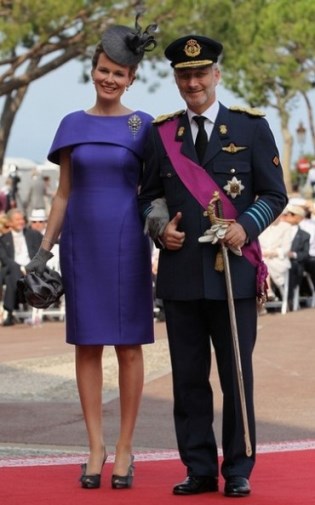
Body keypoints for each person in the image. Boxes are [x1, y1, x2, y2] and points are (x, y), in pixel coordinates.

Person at [139, 34, 288, 498]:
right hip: (182, 274)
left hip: (234, 276)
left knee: (236, 376)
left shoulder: (250, 128)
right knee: (187, 380)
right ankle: (199, 467)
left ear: (216, 75)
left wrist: (246, 226)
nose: (193, 82)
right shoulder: (162, 134)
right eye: (184, 75)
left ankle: (238, 468)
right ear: (176, 80)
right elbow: (148, 196)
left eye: (201, 73)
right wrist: (160, 228)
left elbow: (275, 194)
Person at [25, 15, 157, 490]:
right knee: (86, 345)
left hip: (127, 246)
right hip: (81, 244)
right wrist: (43, 251)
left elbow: (152, 191)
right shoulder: (71, 124)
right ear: (94, 68)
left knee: (128, 347)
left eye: (119, 74)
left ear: (131, 79)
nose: (110, 78)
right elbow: (63, 193)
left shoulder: (144, 125)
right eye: (104, 69)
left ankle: (125, 447)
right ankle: (95, 447)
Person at [0, 208, 43, 326]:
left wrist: (28, 267)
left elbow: (41, 253)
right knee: (12, 271)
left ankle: (9, 312)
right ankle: (12, 309)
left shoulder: (34, 235)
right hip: (13, 270)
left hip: (32, 270)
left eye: (22, 219)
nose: (21, 222)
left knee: (11, 278)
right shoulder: (3, 240)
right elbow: (5, 259)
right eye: (17, 220)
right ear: (9, 222)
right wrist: (20, 268)